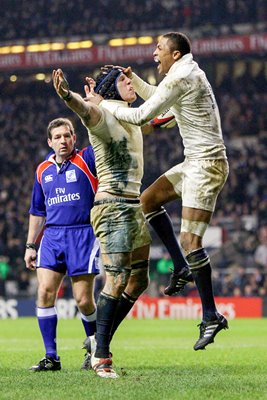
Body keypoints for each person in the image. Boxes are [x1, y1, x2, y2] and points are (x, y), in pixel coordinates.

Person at [105, 32, 229, 350]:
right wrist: (136, 81)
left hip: (206, 165)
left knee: (191, 241)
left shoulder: (183, 76)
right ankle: (182, 265)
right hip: (193, 163)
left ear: (174, 54)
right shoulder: (183, 74)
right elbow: (160, 97)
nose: (153, 53)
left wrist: (104, 104)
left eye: (159, 48)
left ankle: (211, 315)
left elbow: (141, 116)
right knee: (148, 200)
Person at [52, 67, 151, 379]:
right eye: (123, 80)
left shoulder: (129, 114)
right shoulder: (104, 114)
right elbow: (85, 111)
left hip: (132, 205)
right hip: (112, 206)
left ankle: (98, 340)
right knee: (118, 279)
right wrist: (69, 96)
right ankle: (102, 357)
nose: (130, 82)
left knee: (139, 280)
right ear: (111, 89)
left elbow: (155, 118)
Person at [24, 117, 100, 371]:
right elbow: (37, 211)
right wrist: (30, 245)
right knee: (45, 291)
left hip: (82, 234)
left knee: (83, 300)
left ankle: (97, 348)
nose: (63, 141)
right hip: (52, 236)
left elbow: (99, 131)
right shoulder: (42, 170)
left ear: (74, 138)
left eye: (67, 135)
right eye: (57, 137)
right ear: (50, 141)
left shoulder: (87, 159)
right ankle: (51, 356)